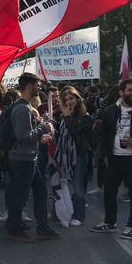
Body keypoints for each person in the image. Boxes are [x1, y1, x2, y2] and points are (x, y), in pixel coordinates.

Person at [91, 79, 132, 239]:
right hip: (115, 158)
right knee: (109, 191)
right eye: (130, 90)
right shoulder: (111, 110)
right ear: (121, 92)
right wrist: (106, 154)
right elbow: (105, 134)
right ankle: (110, 222)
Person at [6, 73, 58, 243]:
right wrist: (43, 128)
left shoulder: (25, 107)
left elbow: (27, 135)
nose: (39, 88)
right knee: (19, 196)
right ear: (29, 86)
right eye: (37, 85)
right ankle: (14, 229)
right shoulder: (22, 108)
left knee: (41, 191)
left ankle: (42, 227)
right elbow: (23, 136)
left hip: (29, 158)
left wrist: (40, 134)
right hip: (23, 160)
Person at [55, 87, 93, 227]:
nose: (69, 102)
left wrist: (67, 118)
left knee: (78, 188)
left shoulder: (85, 117)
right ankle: (62, 211)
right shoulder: (63, 115)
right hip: (65, 155)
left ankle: (79, 216)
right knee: (62, 184)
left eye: (71, 98)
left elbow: (76, 134)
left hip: (79, 155)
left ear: (77, 99)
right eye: (66, 100)